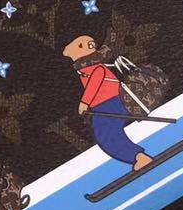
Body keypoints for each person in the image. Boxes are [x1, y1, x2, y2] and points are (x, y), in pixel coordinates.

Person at [62, 34, 153, 174]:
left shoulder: (93, 67)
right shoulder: (86, 67)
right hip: (106, 104)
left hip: (110, 104)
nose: (68, 47)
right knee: (106, 135)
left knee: (106, 135)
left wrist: (85, 103)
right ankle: (137, 157)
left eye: (78, 44)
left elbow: (95, 82)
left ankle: (139, 157)